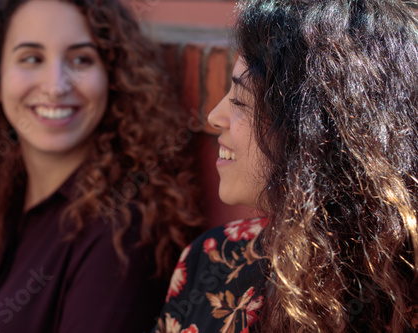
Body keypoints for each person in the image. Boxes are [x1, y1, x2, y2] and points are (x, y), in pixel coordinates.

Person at [0, 0, 202, 332]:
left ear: (112, 78)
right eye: (31, 58)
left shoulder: (121, 234)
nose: (56, 86)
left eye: (81, 60)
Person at [153, 0, 418, 332]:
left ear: (317, 131)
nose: (214, 117)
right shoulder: (215, 260)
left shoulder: (400, 299)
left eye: (240, 101)